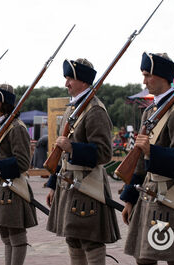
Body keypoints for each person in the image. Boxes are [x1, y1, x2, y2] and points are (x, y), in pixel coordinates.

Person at [120, 52, 174, 264]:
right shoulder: (150, 111)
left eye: (148, 75)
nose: (144, 80)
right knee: (143, 260)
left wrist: (152, 151)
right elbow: (140, 162)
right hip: (149, 195)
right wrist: (130, 198)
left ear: (162, 76)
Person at [46, 58, 120, 265]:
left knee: (91, 241)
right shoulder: (74, 108)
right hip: (69, 183)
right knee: (73, 240)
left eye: (70, 78)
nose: (66, 83)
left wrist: (73, 148)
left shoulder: (95, 110)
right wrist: (53, 184)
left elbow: (104, 153)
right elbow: (60, 154)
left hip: (88, 185)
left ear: (83, 81)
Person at [0, 84, 37, 265]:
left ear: (6, 104)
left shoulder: (16, 127)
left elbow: (23, 162)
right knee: (5, 236)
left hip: (13, 189)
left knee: (17, 237)